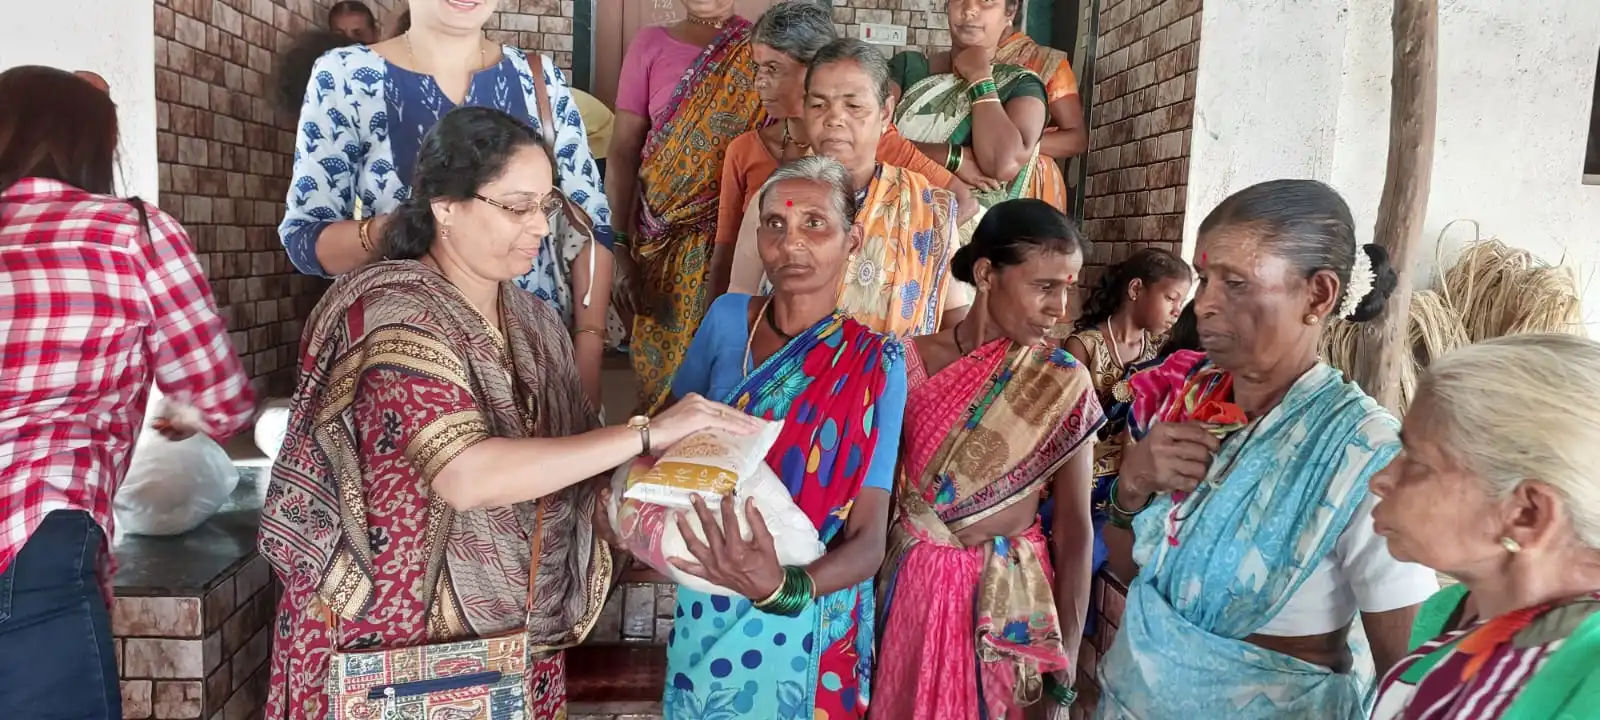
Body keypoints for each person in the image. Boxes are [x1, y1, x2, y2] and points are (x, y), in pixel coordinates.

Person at [259, 106, 759, 719]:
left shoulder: (533, 321)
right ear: (445, 206)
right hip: (388, 646)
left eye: (545, 207)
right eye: (517, 207)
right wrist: (645, 432)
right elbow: (467, 476)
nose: (541, 229)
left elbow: (571, 463)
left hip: (511, 643)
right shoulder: (393, 311)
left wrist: (672, 487)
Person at [1094, 179, 1439, 718]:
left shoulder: (1362, 454)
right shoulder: (1193, 398)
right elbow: (1140, 575)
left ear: (1318, 295)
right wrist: (1132, 485)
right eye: (1205, 278)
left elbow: (1414, 683)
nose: (1203, 303)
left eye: (1234, 282)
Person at [0, 66, 256, 716]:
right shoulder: (129, 233)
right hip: (33, 546)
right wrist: (185, 412)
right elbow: (218, 396)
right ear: (92, 144)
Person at [633, 156, 905, 719]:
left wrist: (782, 587)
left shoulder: (878, 363)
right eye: (775, 225)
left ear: (852, 239)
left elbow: (868, 539)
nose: (792, 244)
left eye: (815, 224)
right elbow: (666, 442)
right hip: (711, 592)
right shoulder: (727, 320)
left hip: (811, 611)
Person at [281, 0, 617, 406]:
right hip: (406, 361)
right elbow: (307, 240)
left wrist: (586, 359)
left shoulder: (539, 79)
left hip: (538, 362)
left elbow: (589, 228)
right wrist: (409, 227)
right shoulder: (344, 75)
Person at [873, 199, 1102, 719]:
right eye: (1044, 286)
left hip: (1010, 604)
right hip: (916, 590)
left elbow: (1074, 526)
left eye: (1067, 288)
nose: (1059, 308)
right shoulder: (908, 363)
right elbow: (879, 497)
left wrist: (1065, 645)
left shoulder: (1064, 381)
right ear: (986, 274)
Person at [1368, 334, 1600, 719]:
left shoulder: (1590, 672)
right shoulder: (1450, 612)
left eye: (1416, 461)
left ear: (1527, 514)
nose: (1381, 480)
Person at [709, 1, 974, 299]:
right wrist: (716, 327)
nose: (759, 81)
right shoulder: (745, 151)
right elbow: (727, 253)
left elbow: (959, 202)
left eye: (773, 68)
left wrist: (893, 258)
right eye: (757, 68)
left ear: (814, 66)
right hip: (770, 319)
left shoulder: (874, 144)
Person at [606, 0, 765, 413]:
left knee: (729, 375)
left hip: (736, 248)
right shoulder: (650, 44)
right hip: (658, 250)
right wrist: (619, 245)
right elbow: (623, 152)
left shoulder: (760, 48)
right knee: (661, 390)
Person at [1061, 248, 1191, 570]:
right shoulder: (1084, 345)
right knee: (1081, 559)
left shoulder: (1159, 354)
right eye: (1171, 298)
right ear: (1135, 290)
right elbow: (1067, 427)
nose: (1177, 311)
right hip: (1083, 482)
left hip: (1132, 485)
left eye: (1181, 303)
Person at [887, 0, 1054, 210]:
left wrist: (980, 79)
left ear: (1009, 11)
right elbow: (867, 140)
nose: (970, 9)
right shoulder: (906, 68)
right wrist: (952, 156)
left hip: (970, 235)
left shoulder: (1021, 85)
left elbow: (1003, 163)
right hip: (887, 221)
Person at [995, 25, 1088, 170]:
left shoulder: (1044, 60)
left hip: (1028, 182)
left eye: (987, 3)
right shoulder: (962, 62)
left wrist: (1021, 145)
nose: (971, 12)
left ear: (1010, 11)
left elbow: (1076, 139)